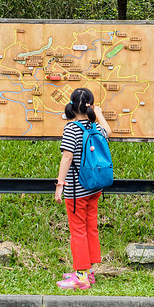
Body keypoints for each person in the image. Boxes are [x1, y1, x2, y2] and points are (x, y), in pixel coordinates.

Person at [54, 87, 112, 290]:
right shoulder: (95, 128)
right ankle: (89, 271)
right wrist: (100, 115)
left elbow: (67, 157)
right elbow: (109, 131)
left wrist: (60, 185)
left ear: (71, 106)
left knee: (78, 231)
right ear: (91, 106)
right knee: (90, 228)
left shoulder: (72, 129)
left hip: (76, 191)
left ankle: (80, 276)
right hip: (94, 188)